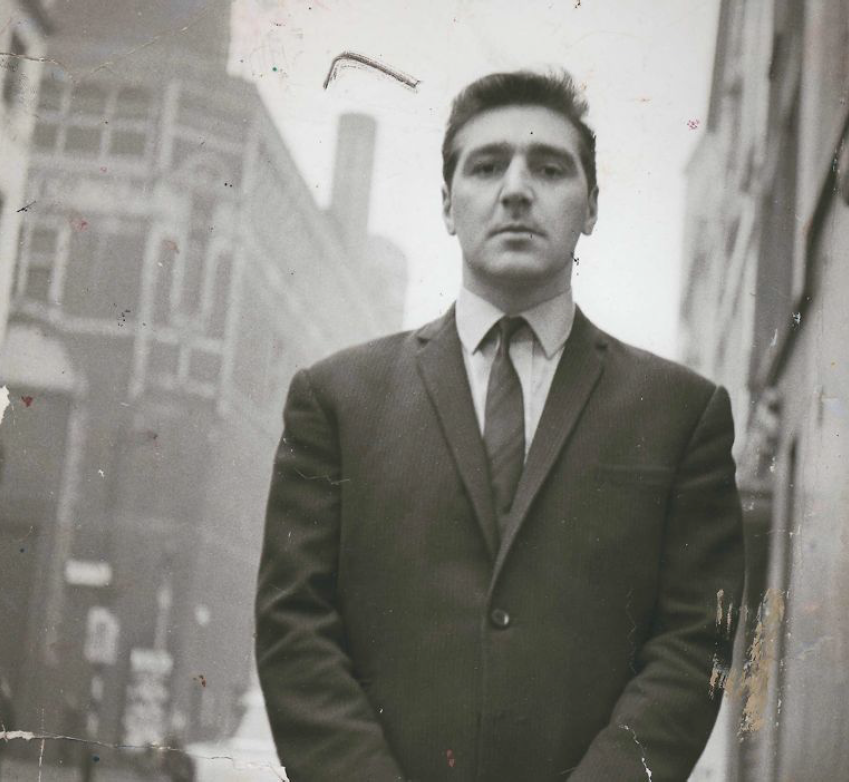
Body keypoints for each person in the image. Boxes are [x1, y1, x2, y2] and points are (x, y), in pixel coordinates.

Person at [255, 69, 745, 782]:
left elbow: (696, 641)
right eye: (486, 167)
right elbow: (295, 629)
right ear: (448, 205)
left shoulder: (679, 414)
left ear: (592, 206)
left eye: (549, 168)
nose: (516, 189)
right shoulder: (336, 401)